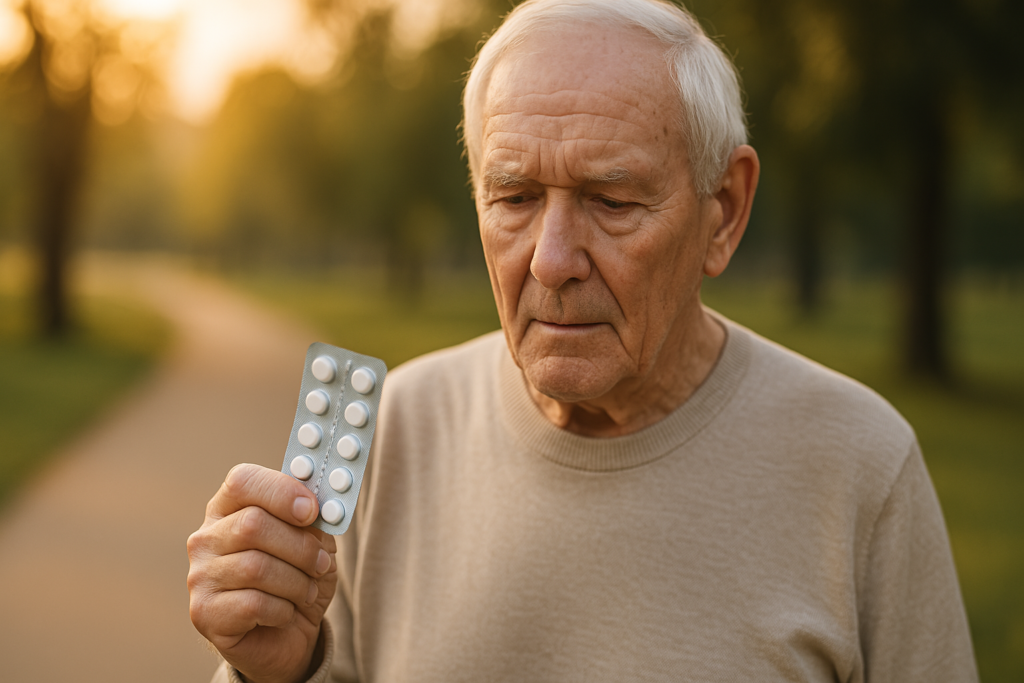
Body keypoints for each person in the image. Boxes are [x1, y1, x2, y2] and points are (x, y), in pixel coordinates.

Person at [186, 1, 978, 681]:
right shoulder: (394, 431)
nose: (552, 259)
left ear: (725, 211)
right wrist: (273, 672)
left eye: (611, 199)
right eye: (516, 196)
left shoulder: (862, 466)